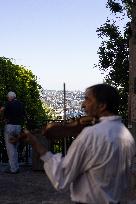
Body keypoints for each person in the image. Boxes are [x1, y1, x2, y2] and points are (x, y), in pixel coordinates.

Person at [22, 83, 135, 204]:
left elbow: (61, 177)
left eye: (87, 99)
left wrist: (36, 144)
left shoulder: (91, 134)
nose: (82, 105)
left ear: (102, 105)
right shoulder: (127, 136)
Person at [2, 91, 26, 173]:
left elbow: (3, 112)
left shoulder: (8, 104)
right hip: (18, 127)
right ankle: (15, 166)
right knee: (15, 147)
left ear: (10, 97)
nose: (8, 99)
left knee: (10, 148)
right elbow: (23, 115)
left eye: (8, 98)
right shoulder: (21, 104)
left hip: (10, 126)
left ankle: (13, 169)